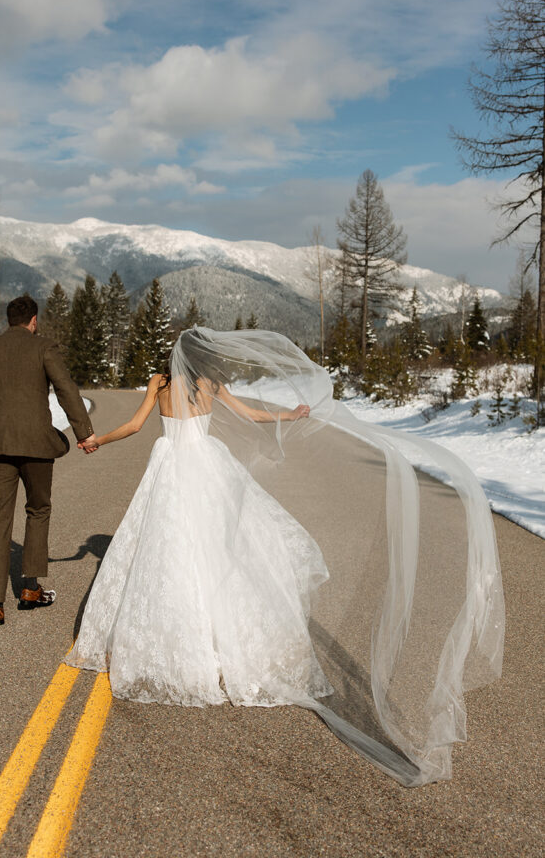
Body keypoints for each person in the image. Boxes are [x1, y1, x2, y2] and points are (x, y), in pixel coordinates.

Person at [66, 327, 504, 786]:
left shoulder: (159, 384)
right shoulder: (212, 386)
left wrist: (97, 440)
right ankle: (221, 642)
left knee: (166, 553)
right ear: (205, 358)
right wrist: (289, 415)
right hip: (207, 469)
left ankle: (181, 644)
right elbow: (252, 414)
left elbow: (135, 427)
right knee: (221, 554)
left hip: (171, 469)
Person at [0, 295, 97, 625]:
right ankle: (30, 589)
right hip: (37, 445)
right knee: (38, 509)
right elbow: (66, 389)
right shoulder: (44, 347)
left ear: (9, 320)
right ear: (33, 321)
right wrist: (84, 433)